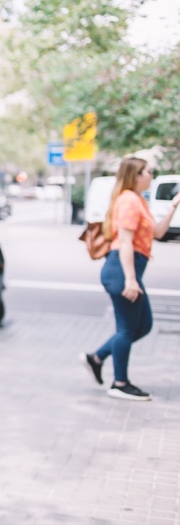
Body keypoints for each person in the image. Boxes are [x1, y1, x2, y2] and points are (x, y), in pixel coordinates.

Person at [81, 157, 180, 401]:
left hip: (129, 270)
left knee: (143, 326)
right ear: (134, 175)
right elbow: (124, 241)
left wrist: (173, 207)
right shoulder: (127, 200)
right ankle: (120, 382)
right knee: (126, 329)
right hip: (122, 270)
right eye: (147, 171)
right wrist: (131, 280)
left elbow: (157, 233)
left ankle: (97, 357)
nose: (151, 175)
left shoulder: (139, 201)